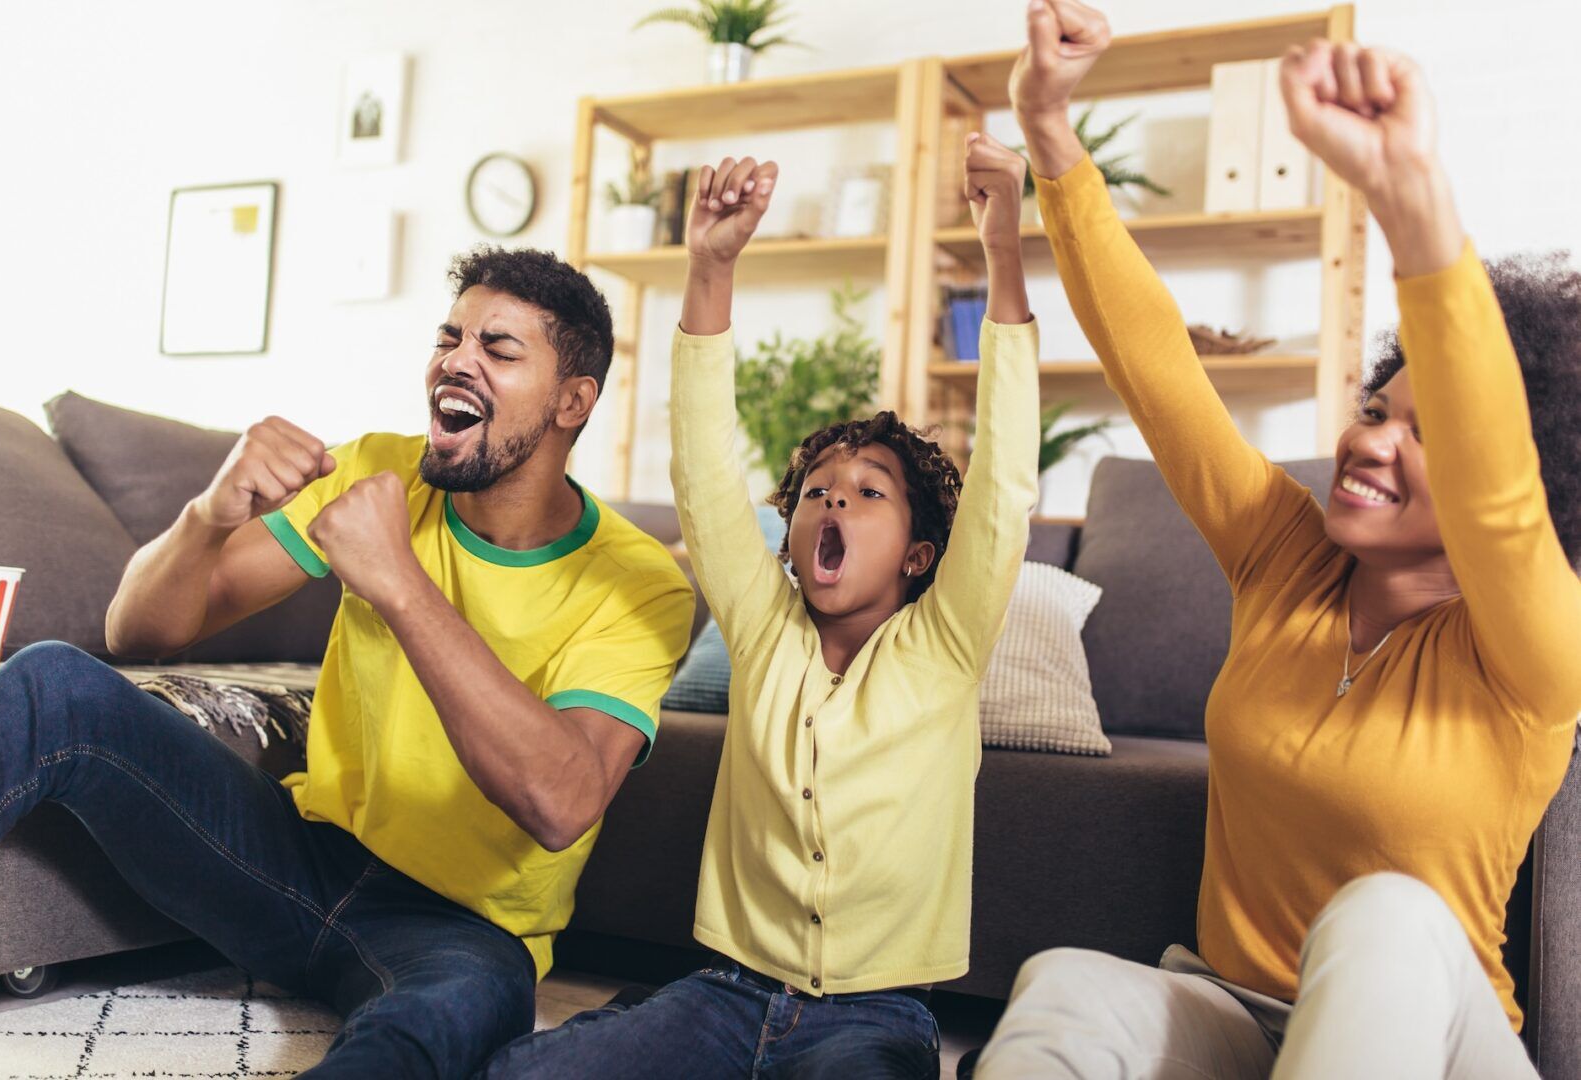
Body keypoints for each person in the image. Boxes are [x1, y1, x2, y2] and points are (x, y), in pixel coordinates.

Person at [975, 3, 1581, 1078]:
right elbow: (1158, 366)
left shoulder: (1537, 651)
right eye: (1378, 410)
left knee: (1389, 914)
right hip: (1240, 1020)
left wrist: (1406, 194)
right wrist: (1051, 130)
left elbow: (1501, 495)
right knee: (1067, 982)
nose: (1370, 442)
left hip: (1440, 1046)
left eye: (1427, 431)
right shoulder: (1286, 559)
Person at [0, 248, 696, 1078]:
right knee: (53, 683)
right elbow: (138, 632)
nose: (456, 360)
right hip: (288, 860)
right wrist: (207, 515)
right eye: (450, 338)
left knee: (431, 1034)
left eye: (499, 349)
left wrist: (399, 584)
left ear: (573, 401)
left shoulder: (635, 580)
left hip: (463, 933)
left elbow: (561, 802)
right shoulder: (378, 467)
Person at [482, 135, 1041, 1078]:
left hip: (877, 1015)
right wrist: (710, 265)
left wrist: (1004, 250)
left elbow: (1007, 488)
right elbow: (703, 471)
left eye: (868, 493)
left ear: (918, 554)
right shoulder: (763, 623)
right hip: (722, 995)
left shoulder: (946, 644)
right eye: (818, 490)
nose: (833, 501)